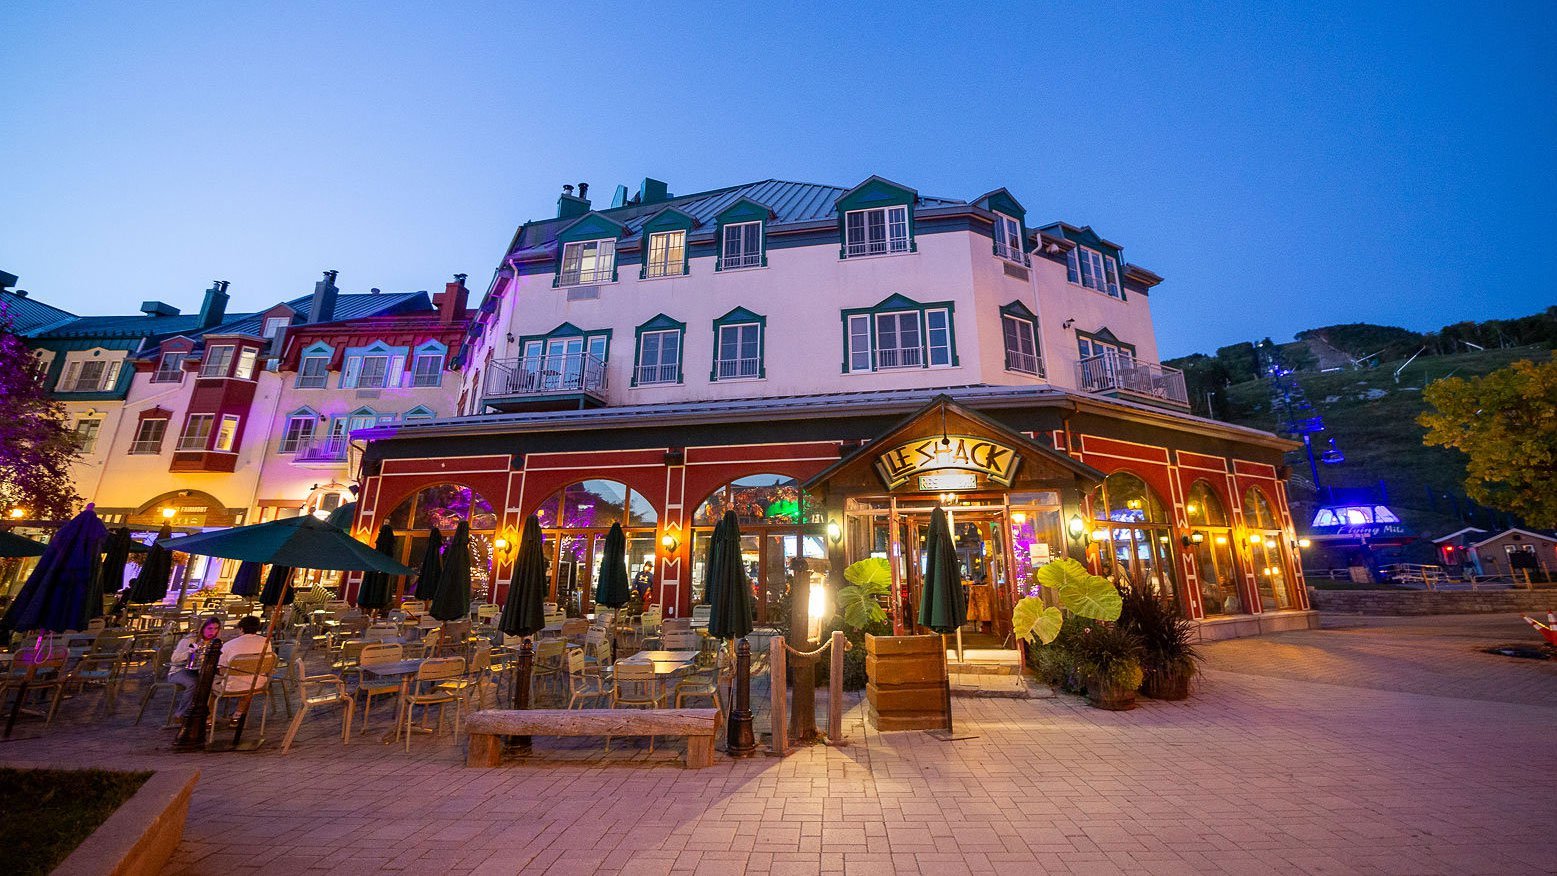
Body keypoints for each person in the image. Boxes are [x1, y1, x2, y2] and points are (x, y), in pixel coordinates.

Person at [170, 616, 222, 720]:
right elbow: (174, 659)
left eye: (216, 629)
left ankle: (206, 715)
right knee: (194, 683)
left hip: (201, 670)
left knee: (212, 682)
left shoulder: (215, 642)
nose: (213, 631)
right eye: (210, 628)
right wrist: (190, 652)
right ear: (203, 628)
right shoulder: (190, 640)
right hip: (179, 670)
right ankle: (181, 714)